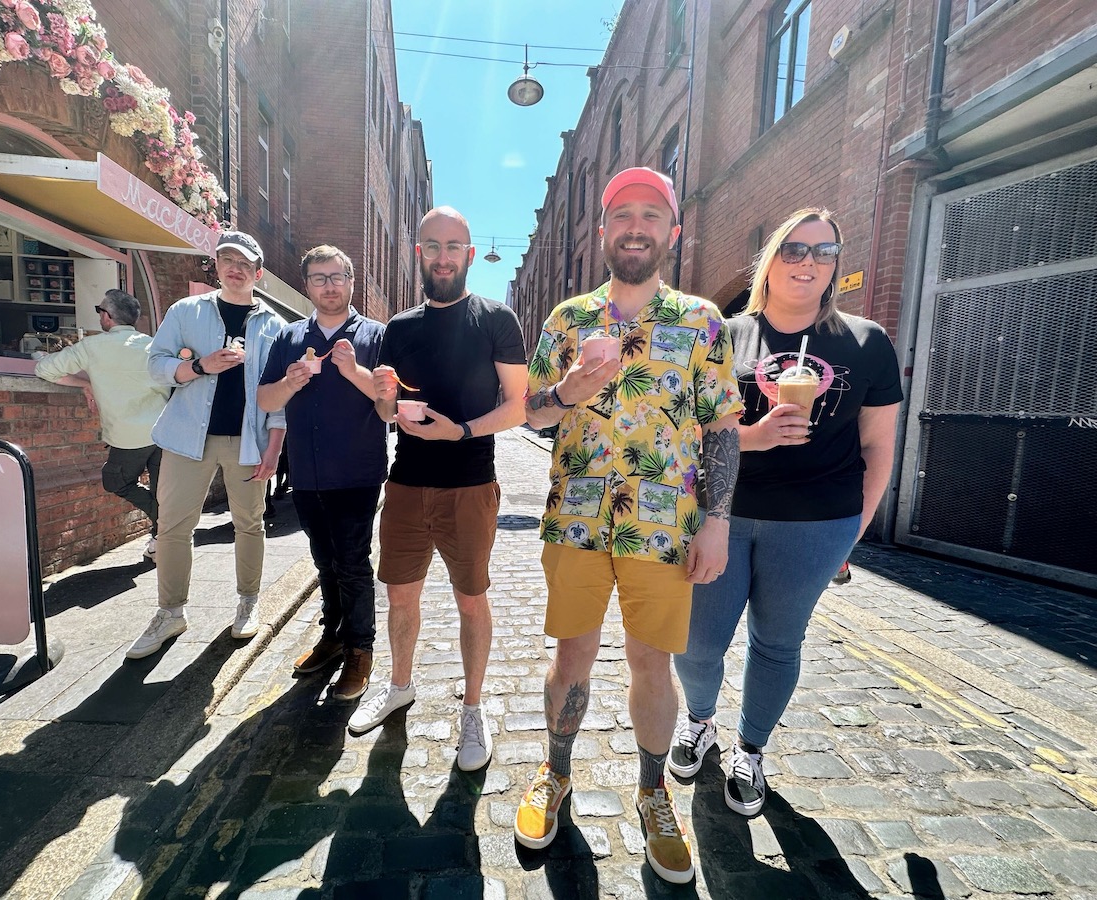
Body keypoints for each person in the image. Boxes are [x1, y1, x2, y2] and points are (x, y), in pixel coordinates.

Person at [515, 167, 744, 885]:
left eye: (651, 214)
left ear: (671, 231)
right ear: (604, 232)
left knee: (651, 664)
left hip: (665, 530)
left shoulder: (703, 321)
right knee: (572, 657)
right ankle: (556, 776)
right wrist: (565, 391)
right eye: (623, 215)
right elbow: (531, 412)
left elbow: (723, 429)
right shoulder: (567, 319)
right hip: (578, 522)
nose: (636, 226)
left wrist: (719, 521)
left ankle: (652, 795)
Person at [669, 208, 902, 818]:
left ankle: (751, 747)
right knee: (695, 642)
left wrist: (854, 531)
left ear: (836, 265)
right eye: (794, 250)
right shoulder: (723, 334)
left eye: (824, 252)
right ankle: (698, 721)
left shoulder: (866, 342)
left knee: (777, 643)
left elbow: (878, 444)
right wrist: (753, 435)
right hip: (723, 512)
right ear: (769, 260)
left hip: (818, 523)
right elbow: (685, 430)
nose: (808, 264)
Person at [346, 206, 529, 774]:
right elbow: (384, 407)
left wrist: (463, 430)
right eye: (433, 246)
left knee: (471, 600)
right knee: (401, 594)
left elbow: (518, 406)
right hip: (405, 483)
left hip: (470, 484)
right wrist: (384, 398)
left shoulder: (497, 319)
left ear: (470, 256)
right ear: (418, 253)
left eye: (454, 246)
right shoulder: (398, 329)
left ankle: (472, 709)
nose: (443, 256)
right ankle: (400, 685)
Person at [125, 231, 287, 660]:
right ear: (215, 266)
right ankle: (170, 612)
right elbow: (156, 366)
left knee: (249, 523)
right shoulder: (187, 311)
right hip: (185, 438)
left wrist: (274, 449)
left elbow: (279, 395)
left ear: (258, 272)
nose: (234, 268)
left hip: (246, 442)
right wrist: (199, 366)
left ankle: (249, 601)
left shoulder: (274, 325)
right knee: (173, 526)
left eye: (244, 262)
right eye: (226, 259)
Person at [258, 245, 386, 701]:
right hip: (307, 474)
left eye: (336, 276)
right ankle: (332, 635)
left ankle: (360, 649)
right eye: (319, 278)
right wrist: (289, 383)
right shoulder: (289, 338)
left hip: (356, 472)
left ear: (351, 281)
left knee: (352, 563)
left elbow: (389, 408)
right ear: (308, 285)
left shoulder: (376, 335)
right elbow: (265, 401)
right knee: (323, 561)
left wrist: (352, 371)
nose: (329, 285)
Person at [34, 289, 170, 561]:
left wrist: (86, 383)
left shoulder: (92, 347)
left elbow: (44, 369)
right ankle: (164, 541)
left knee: (115, 481)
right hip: (164, 430)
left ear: (106, 317)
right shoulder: (154, 346)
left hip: (127, 434)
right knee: (161, 490)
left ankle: (167, 526)